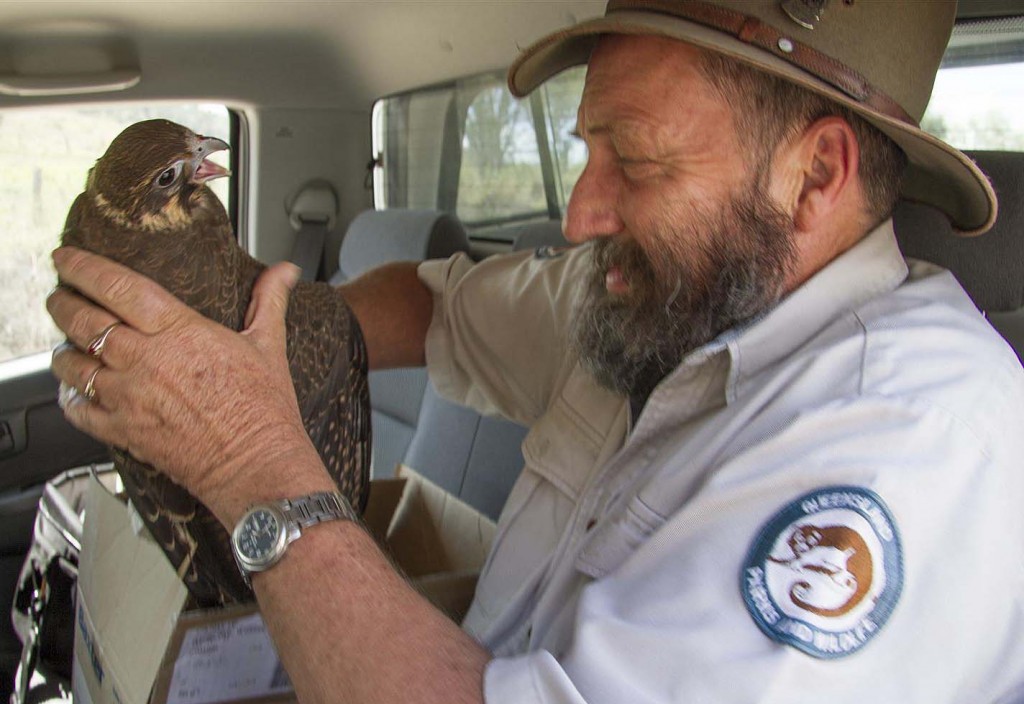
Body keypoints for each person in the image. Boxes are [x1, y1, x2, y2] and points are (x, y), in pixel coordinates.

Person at [47, 1, 1024, 702]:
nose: (579, 213)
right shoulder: (656, 298)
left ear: (814, 174)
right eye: (585, 149)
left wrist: (247, 457)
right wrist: (247, 336)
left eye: (633, 161)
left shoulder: (912, 440)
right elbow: (431, 308)